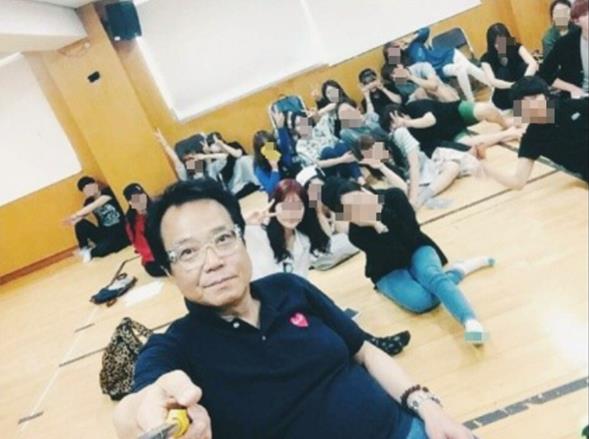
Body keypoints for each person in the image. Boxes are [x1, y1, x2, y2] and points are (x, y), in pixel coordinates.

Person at [113, 178, 478, 439]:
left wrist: (427, 407)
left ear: (242, 240)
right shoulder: (176, 346)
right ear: (168, 271)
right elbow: (134, 410)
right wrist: (145, 411)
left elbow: (364, 352)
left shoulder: (289, 288)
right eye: (188, 252)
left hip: (405, 430)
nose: (213, 261)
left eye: (223, 239)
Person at [320, 177, 495, 344]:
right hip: (387, 268)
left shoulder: (393, 196)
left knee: (432, 275)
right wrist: (375, 225)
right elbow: (390, 255)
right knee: (420, 301)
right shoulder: (356, 233)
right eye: (351, 207)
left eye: (359, 199)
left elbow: (411, 234)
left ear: (364, 191)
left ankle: (471, 323)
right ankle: (458, 271)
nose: (359, 207)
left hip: (416, 247)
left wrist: (379, 213)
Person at [245, 178, 409, 356]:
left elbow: (324, 245)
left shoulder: (303, 240)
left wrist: (317, 211)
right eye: (285, 206)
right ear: (273, 206)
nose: (291, 213)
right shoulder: (255, 232)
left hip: (289, 303)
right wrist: (245, 221)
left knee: (327, 312)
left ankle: (370, 345)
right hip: (260, 307)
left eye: (298, 207)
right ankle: (369, 346)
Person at [480, 76, 588, 188]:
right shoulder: (532, 138)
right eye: (525, 102)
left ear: (546, 96)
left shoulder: (571, 106)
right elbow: (517, 182)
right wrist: (484, 164)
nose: (532, 104)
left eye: (535, 97)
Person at [385, 100, 521, 158]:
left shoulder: (415, 106)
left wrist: (407, 123)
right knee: (467, 143)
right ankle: (508, 134)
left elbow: (430, 120)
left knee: (484, 109)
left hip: (455, 112)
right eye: (392, 126)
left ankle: (504, 124)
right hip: (452, 134)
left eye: (397, 120)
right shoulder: (406, 135)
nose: (398, 125)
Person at [404, 27, 490, 102]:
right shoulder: (404, 53)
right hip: (440, 68)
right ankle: (471, 99)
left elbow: (425, 30)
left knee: (469, 67)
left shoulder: (415, 42)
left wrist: (410, 38)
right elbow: (399, 64)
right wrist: (400, 46)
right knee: (462, 69)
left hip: (448, 55)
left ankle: (492, 85)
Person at [64, 176, 129, 263]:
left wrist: (76, 214)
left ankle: (92, 252)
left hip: (120, 231)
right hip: (104, 233)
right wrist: (75, 220)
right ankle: (84, 249)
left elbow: (96, 204)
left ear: (96, 185)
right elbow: (84, 213)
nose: (88, 191)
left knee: (105, 248)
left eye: (89, 187)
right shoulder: (89, 201)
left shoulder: (108, 192)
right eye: (85, 190)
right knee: (80, 224)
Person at [285, 111, 362, 181]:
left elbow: (334, 107)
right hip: (328, 171)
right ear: (294, 129)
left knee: (340, 145)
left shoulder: (319, 128)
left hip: (344, 161)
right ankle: (346, 179)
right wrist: (342, 159)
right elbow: (318, 164)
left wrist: (318, 113)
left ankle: (360, 179)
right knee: (327, 151)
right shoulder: (300, 146)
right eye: (298, 125)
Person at [481, 23, 539, 110]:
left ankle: (528, 104)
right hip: (505, 94)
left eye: (502, 42)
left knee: (523, 66)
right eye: (496, 43)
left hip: (523, 88)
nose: (499, 46)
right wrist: (513, 85)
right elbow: (492, 81)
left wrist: (523, 83)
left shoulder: (515, 46)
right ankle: (520, 108)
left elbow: (533, 63)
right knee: (503, 71)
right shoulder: (486, 58)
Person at [539, 0, 589, 98]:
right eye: (585, 14)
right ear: (576, 20)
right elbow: (545, 73)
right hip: (578, 92)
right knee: (524, 105)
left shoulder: (572, 31)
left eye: (564, 11)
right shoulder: (561, 42)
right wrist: (571, 88)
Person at [381, 42, 460, 103]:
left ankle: (455, 106)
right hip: (412, 92)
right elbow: (397, 79)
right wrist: (399, 69)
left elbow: (416, 70)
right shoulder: (387, 69)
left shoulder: (408, 59)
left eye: (395, 51)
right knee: (422, 91)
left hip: (424, 83)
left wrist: (403, 43)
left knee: (434, 87)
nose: (393, 54)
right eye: (391, 53)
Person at [123, 183, 166, 277]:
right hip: (154, 260)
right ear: (130, 203)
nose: (141, 201)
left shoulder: (156, 209)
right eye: (136, 199)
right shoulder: (132, 221)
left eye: (142, 197)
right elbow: (142, 247)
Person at [155, 129, 228, 182]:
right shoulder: (187, 179)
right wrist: (164, 144)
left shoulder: (209, 171)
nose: (195, 161)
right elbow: (176, 160)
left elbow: (224, 156)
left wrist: (206, 155)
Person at [204, 132, 260, 198]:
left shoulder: (233, 145)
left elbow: (238, 154)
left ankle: (258, 183)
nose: (215, 145)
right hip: (233, 182)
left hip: (245, 174)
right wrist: (207, 153)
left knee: (243, 160)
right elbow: (211, 172)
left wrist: (222, 145)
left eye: (216, 142)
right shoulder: (213, 158)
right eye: (211, 144)